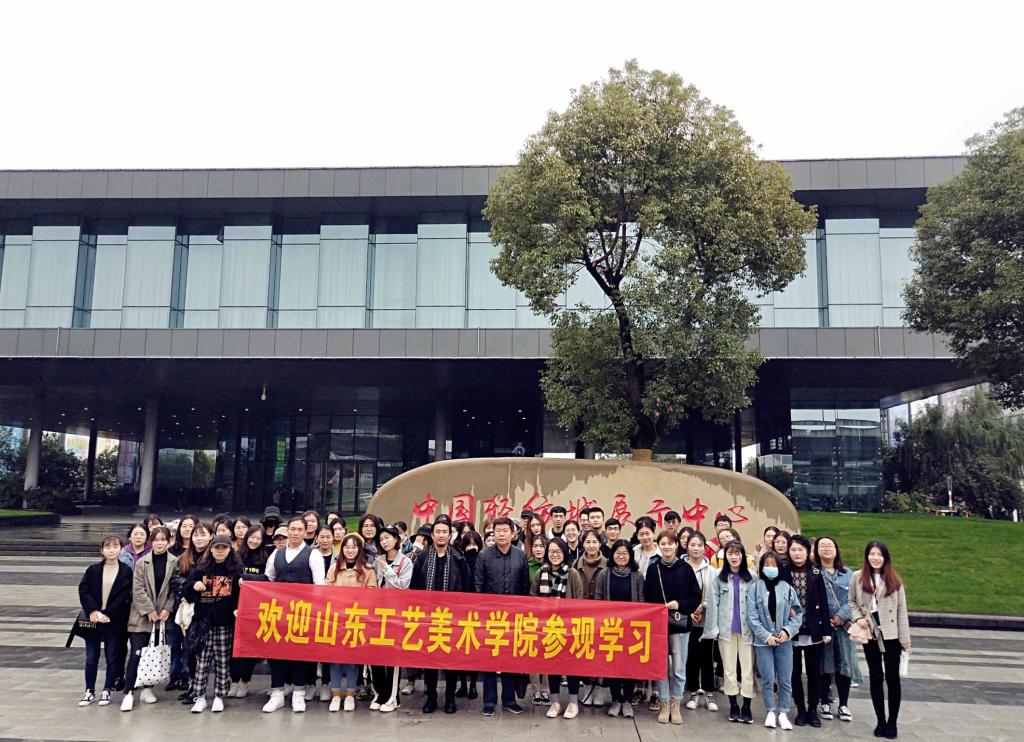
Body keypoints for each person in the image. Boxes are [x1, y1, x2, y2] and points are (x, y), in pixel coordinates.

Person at [262, 516, 326, 714]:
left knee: (300, 654)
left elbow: (319, 585)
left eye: (300, 529)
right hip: (279, 612)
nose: (296, 533)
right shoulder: (277, 553)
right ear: (287, 530)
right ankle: (277, 693)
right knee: (276, 653)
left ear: (306, 532)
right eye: (293, 529)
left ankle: (299, 693)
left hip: (303, 613)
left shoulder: (313, 554)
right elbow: (268, 579)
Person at [848, 541, 911, 740]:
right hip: (871, 633)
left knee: (893, 679)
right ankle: (880, 721)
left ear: (885, 557)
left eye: (879, 554)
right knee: (876, 677)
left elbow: (901, 610)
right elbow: (851, 601)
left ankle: (892, 722)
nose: (875, 558)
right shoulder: (858, 577)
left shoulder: (894, 579)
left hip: (891, 634)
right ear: (867, 556)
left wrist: (905, 639)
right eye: (872, 554)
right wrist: (857, 618)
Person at [411, 518, 472, 714]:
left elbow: (467, 588)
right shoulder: (422, 558)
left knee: (450, 659)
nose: (441, 535)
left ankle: (450, 698)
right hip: (428, 617)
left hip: (451, 617)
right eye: (437, 531)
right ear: (432, 534)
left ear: (450, 535)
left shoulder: (458, 558)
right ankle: (431, 696)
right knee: (429, 660)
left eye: (445, 532)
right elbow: (415, 587)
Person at [645, 529, 702, 725]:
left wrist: (680, 605)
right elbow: (647, 597)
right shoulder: (653, 569)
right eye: (663, 544)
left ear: (677, 545)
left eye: (670, 543)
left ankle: (676, 703)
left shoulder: (685, 569)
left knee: (678, 667)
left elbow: (695, 596)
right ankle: (664, 703)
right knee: (660, 667)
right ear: (658, 546)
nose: (667, 547)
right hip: (659, 626)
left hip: (680, 624)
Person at [474, 516, 530, 716]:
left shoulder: (520, 556)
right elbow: (478, 586)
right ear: (493, 533)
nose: (501, 534)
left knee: (510, 659)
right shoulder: (484, 556)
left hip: (514, 618)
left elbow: (524, 586)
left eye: (505, 530)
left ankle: (509, 700)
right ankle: (489, 702)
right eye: (498, 531)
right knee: (489, 660)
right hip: (490, 617)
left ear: (513, 533)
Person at [184, 534, 242, 713]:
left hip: (225, 623)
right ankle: (199, 696)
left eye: (224, 548)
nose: (220, 551)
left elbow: (240, 596)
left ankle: (219, 696)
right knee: (202, 662)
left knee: (223, 662)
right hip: (203, 624)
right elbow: (186, 591)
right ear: (211, 549)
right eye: (217, 548)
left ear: (229, 550)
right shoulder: (201, 569)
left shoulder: (235, 570)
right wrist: (194, 586)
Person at [121, 526, 176, 712]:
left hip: (162, 617)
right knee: (137, 653)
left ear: (169, 542)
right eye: (156, 540)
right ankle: (129, 692)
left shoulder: (174, 562)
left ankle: (147, 688)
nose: (159, 543)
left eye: (163, 540)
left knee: (154, 653)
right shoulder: (142, 562)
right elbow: (137, 589)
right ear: (150, 542)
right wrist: (149, 610)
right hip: (142, 616)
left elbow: (175, 589)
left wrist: (167, 609)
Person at [747, 551, 803, 730]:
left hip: (784, 640)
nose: (770, 568)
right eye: (767, 565)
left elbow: (797, 614)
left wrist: (787, 631)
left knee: (785, 678)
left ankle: (783, 712)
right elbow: (752, 616)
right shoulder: (755, 588)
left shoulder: (787, 588)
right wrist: (765, 636)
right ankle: (770, 711)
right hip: (763, 641)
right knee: (768, 677)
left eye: (774, 565)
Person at [531, 537, 585, 719]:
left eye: (558, 551)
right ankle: (555, 702)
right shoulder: (541, 573)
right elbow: (533, 598)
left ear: (564, 553)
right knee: (552, 664)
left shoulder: (572, 573)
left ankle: (573, 702)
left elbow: (579, 600)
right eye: (551, 551)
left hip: (569, 627)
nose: (555, 555)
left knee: (572, 665)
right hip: (548, 627)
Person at [77, 534, 133, 707]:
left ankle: (107, 689)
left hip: (114, 620)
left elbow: (125, 595)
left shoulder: (126, 571)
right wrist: (93, 610)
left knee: (112, 656)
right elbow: (84, 590)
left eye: (115, 546)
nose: (111, 550)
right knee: (91, 657)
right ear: (102, 550)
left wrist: (109, 613)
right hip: (93, 619)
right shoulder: (93, 570)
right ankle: (89, 690)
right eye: (107, 547)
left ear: (121, 549)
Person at [704, 540, 756, 724]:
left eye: (737, 553)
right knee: (729, 669)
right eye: (730, 553)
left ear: (743, 555)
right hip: (725, 631)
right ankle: (733, 705)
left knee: (747, 670)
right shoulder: (719, 576)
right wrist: (714, 628)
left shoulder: (752, 576)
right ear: (725, 556)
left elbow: (757, 603)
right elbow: (713, 604)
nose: (734, 557)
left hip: (748, 630)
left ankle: (747, 706)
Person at [784, 534, 832, 728]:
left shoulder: (816, 572)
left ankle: (813, 709)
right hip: (791, 630)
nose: (797, 553)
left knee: (814, 672)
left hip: (813, 629)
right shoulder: (783, 571)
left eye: (800, 549)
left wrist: (826, 630)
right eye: (793, 550)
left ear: (807, 551)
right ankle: (801, 709)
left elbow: (824, 601)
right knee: (794, 672)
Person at [594, 539, 645, 719]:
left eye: (625, 553)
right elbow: (598, 599)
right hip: (610, 627)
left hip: (631, 627)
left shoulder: (637, 576)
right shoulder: (604, 574)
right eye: (618, 553)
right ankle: (616, 699)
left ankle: (627, 701)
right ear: (612, 555)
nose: (621, 556)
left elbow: (641, 600)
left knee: (629, 664)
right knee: (613, 664)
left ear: (630, 555)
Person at [325, 534, 376, 711]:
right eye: (347, 547)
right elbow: (326, 591)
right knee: (335, 659)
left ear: (360, 549)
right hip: (336, 619)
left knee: (352, 660)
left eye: (354, 547)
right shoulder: (334, 568)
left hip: (356, 620)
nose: (350, 550)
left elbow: (372, 594)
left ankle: (350, 695)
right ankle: (335, 695)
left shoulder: (368, 570)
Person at [814, 535, 862, 723]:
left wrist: (840, 616)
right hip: (823, 626)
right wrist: (826, 619)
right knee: (824, 664)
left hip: (844, 626)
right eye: (822, 546)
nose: (826, 549)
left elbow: (855, 599)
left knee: (845, 664)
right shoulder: (814, 572)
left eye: (830, 546)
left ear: (836, 550)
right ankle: (825, 701)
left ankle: (843, 704)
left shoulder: (848, 574)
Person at [368, 523, 412, 712]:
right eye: (381, 539)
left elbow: (402, 586)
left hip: (396, 615)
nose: (384, 542)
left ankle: (392, 697)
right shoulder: (377, 560)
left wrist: (387, 569)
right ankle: (380, 694)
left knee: (393, 657)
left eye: (387, 538)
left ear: (396, 539)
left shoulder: (405, 562)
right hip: (377, 614)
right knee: (375, 655)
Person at [168, 521, 212, 700]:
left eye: (203, 535)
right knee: (190, 648)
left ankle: (200, 688)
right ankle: (192, 685)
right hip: (186, 606)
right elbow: (175, 578)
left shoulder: (214, 556)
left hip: (207, 609)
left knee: (203, 651)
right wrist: (188, 588)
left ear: (211, 536)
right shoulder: (184, 557)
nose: (199, 538)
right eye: (196, 535)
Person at [227, 525, 266, 699]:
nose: (254, 541)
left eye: (258, 538)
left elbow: (268, 579)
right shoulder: (235, 556)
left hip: (254, 609)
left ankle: (245, 681)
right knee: (233, 647)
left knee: (249, 647)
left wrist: (248, 579)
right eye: (252, 537)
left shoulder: (266, 558)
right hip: (235, 607)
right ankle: (234, 680)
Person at [682, 531, 717, 714]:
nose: (696, 548)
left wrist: (703, 606)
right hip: (686, 619)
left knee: (707, 658)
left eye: (699, 545)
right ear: (687, 547)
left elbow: (715, 595)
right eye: (692, 545)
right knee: (691, 658)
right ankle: (694, 692)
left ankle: (709, 693)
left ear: (704, 548)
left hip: (706, 620)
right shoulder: (681, 568)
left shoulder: (712, 571)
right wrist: (689, 612)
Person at [454, 530, 483, 701]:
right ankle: (463, 684)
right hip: (461, 611)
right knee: (460, 650)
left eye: (475, 544)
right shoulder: (459, 560)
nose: (472, 548)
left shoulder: (482, 559)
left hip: (477, 611)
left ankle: (472, 684)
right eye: (468, 544)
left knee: (474, 650)